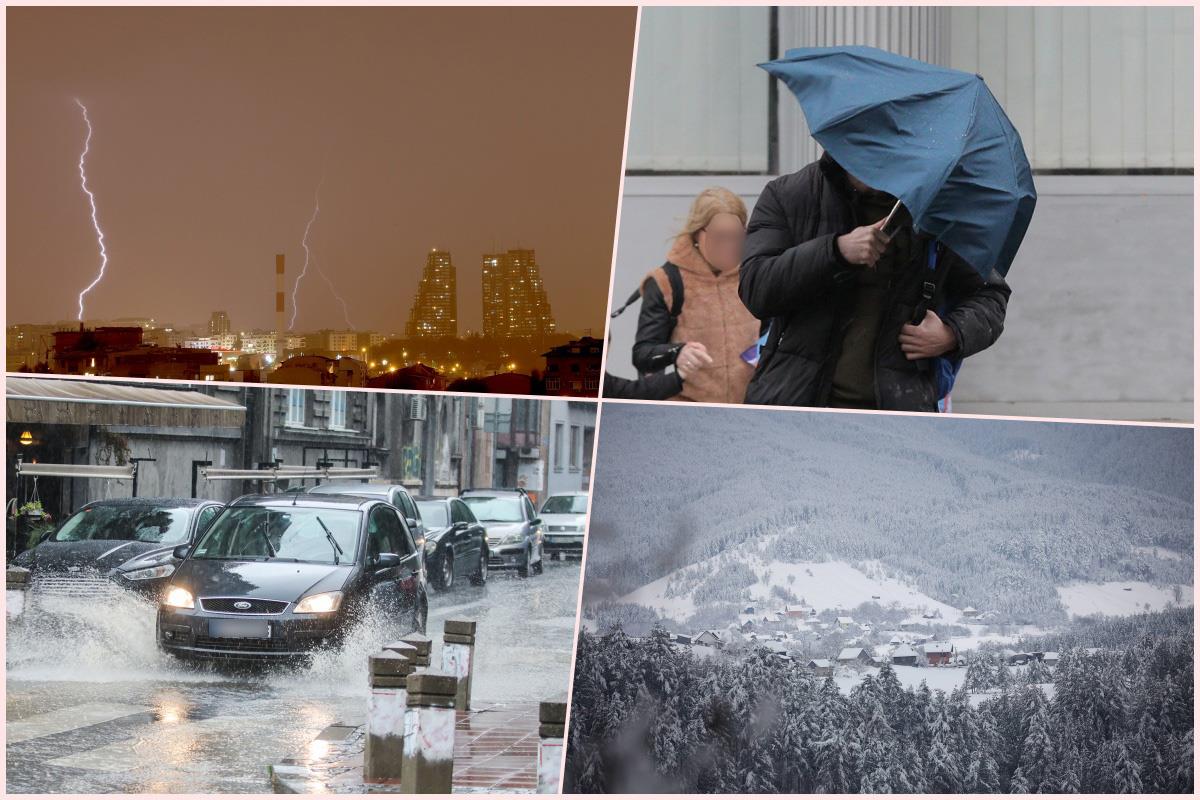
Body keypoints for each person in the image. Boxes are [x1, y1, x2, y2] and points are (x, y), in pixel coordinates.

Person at [738, 153, 1011, 411]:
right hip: (796, 407)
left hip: (897, 416)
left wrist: (951, 334)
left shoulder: (936, 210)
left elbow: (991, 295)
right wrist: (836, 251)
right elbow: (756, 288)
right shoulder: (789, 195)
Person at [632, 187, 760, 404]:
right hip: (687, 408)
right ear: (697, 234)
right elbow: (642, 355)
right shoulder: (667, 282)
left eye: (737, 236)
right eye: (721, 236)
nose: (730, 246)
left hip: (750, 408)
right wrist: (677, 353)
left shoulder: (755, 272)